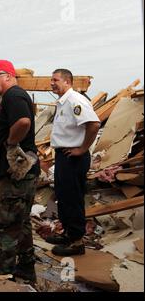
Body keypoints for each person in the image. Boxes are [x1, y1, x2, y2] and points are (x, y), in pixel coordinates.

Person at [0, 59, 39, 282]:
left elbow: (23, 122)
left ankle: (2, 276)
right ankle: (26, 269)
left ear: (7, 75)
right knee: (21, 223)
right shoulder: (10, 97)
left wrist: (12, 145)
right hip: (13, 176)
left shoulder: (14, 95)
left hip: (16, 179)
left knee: (3, 226)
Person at [48, 69, 100, 256]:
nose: (51, 83)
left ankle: (77, 242)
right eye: (51, 80)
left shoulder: (75, 100)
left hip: (74, 157)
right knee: (63, 197)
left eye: (55, 80)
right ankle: (69, 234)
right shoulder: (63, 102)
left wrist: (83, 148)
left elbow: (94, 124)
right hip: (64, 155)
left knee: (72, 199)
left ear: (67, 81)